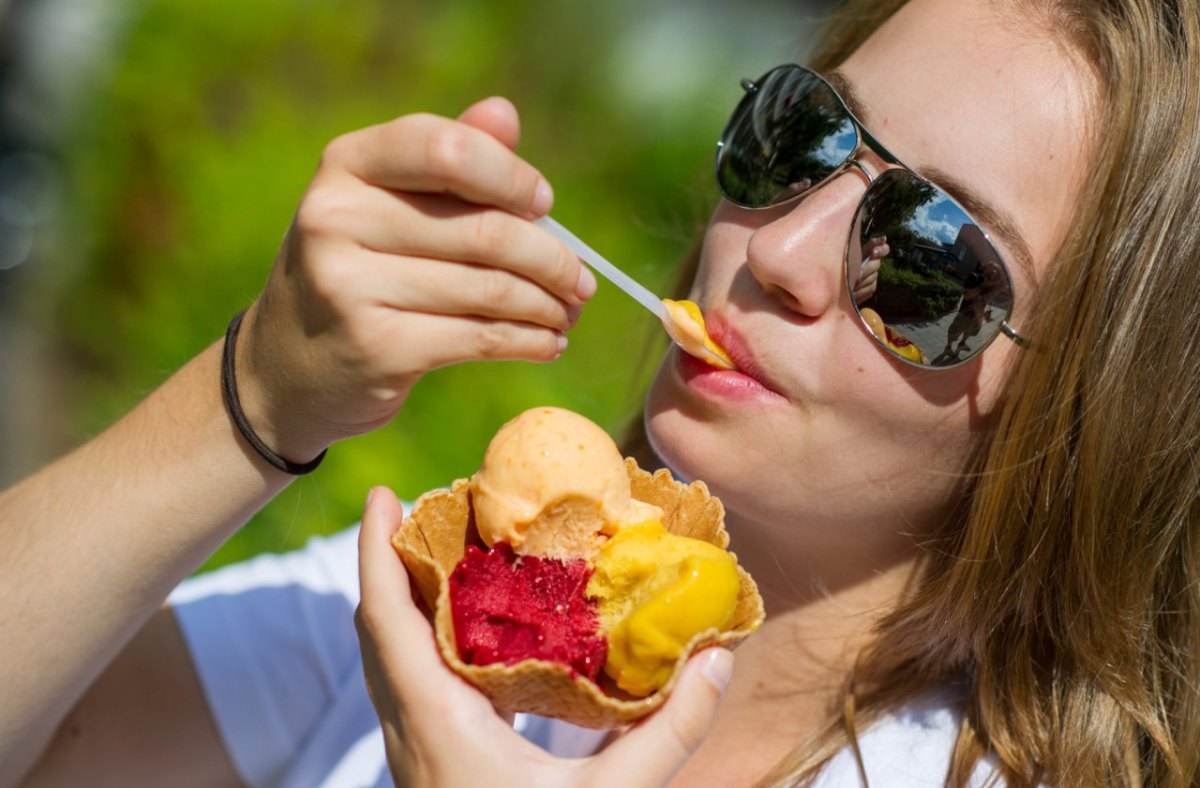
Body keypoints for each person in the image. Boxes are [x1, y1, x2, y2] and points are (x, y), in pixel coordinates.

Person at [6, 0, 1200, 784]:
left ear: (1099, 419)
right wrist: (253, 395)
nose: (777, 253)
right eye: (806, 137)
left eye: (935, 258)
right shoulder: (471, 618)